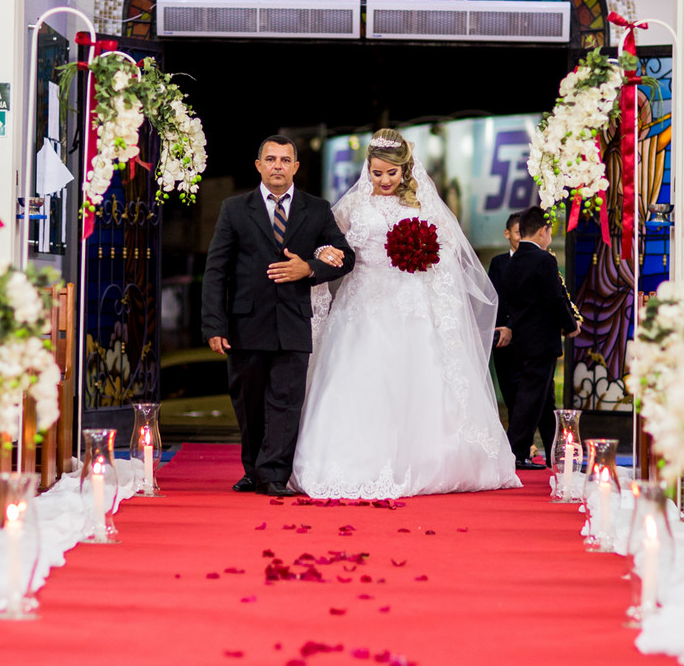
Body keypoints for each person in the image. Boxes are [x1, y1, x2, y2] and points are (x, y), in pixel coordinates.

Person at [291, 129, 519, 499]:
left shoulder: (420, 206)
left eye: (391, 174)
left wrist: (424, 254)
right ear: (368, 169)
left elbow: (449, 253)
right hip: (361, 304)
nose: (383, 180)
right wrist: (327, 253)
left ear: (405, 170)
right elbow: (328, 239)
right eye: (377, 173)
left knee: (416, 379)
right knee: (356, 378)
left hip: (410, 303)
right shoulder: (354, 205)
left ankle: (426, 460)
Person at [202, 135, 355, 494]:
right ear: (258, 166)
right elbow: (216, 271)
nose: (277, 166)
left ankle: (273, 475)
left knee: (285, 403)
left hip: (293, 322)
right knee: (249, 402)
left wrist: (311, 268)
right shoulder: (234, 209)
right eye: (270, 159)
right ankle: (253, 470)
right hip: (245, 324)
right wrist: (214, 323)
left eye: (285, 160)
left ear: (296, 167)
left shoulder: (316, 209)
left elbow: (346, 256)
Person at [490, 206, 580, 469]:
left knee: (543, 397)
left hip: (523, 339)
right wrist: (570, 324)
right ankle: (514, 451)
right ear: (543, 231)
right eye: (550, 232)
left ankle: (556, 451)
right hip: (541, 340)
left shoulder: (514, 260)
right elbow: (554, 299)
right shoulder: (544, 260)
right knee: (530, 398)